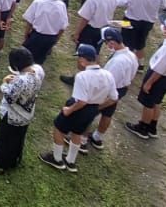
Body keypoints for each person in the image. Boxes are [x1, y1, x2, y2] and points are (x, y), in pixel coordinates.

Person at [42, 44, 116, 173]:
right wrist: (98, 107)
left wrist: (68, 110)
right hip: (92, 109)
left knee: (59, 129)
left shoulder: (82, 76)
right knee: (78, 132)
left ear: (82, 60)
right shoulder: (108, 75)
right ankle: (71, 161)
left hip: (78, 107)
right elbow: (114, 97)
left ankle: (56, 158)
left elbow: (81, 101)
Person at [0, 47, 43, 174]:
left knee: (5, 140)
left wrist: (5, 83)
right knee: (18, 139)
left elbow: (10, 98)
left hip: (12, 116)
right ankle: (15, 159)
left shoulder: (20, 81)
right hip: (27, 114)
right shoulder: (38, 73)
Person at [86, 28, 137, 150]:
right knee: (108, 113)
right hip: (122, 88)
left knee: (90, 112)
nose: (106, 45)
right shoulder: (132, 55)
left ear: (112, 42)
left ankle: (81, 139)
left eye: (105, 43)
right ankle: (97, 137)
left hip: (109, 90)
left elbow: (107, 80)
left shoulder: (118, 62)